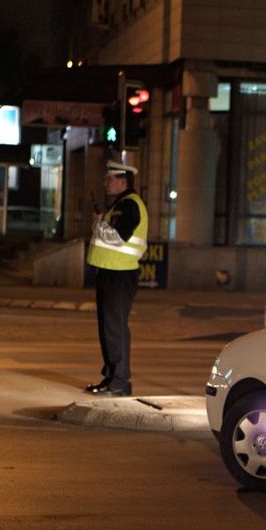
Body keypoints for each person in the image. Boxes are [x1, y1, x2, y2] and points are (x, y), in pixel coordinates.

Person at [83, 161, 148, 397]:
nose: (106, 183)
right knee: (108, 328)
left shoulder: (129, 205)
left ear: (122, 181)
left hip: (120, 274)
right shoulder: (120, 205)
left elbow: (118, 237)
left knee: (115, 328)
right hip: (110, 272)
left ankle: (119, 381)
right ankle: (111, 377)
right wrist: (101, 221)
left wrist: (98, 224)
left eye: (109, 179)